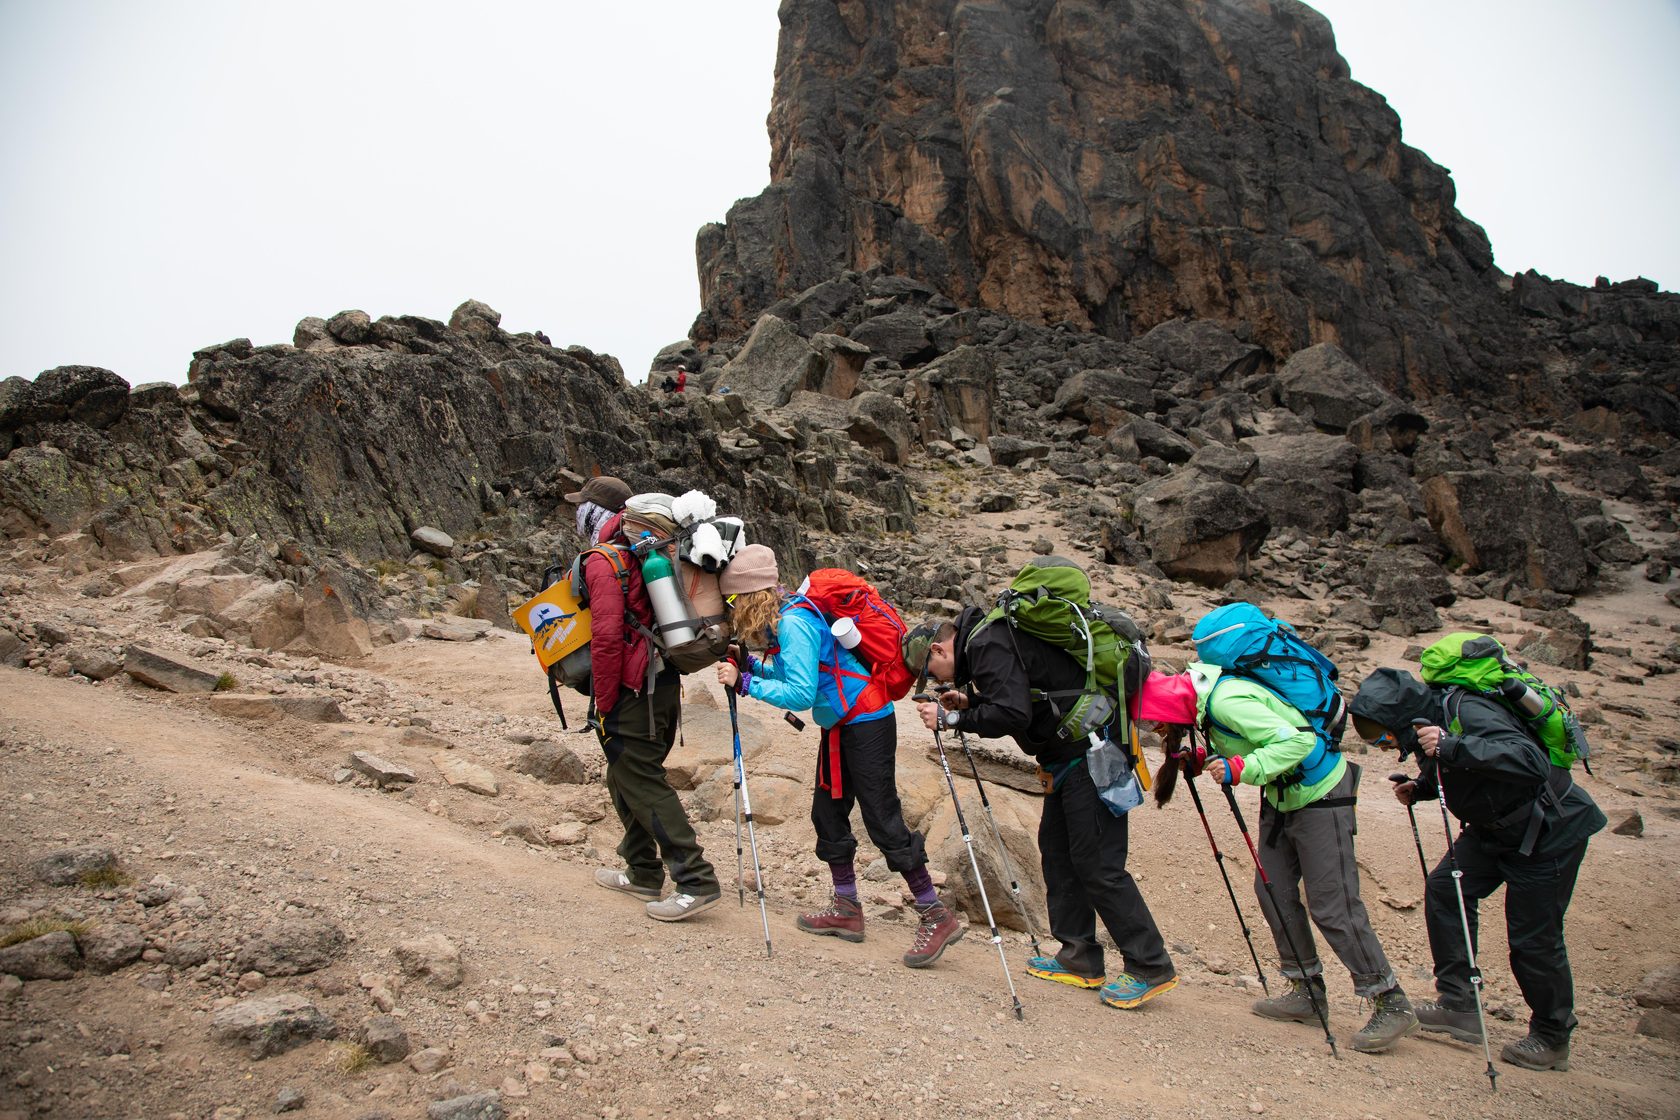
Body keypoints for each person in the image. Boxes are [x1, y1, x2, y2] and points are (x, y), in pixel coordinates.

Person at [1134, 664, 1417, 1051]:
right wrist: (1205, 757)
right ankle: (1306, 989)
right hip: (1283, 795)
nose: (1155, 730)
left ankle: (1391, 1000)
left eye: (1155, 722)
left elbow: (1296, 742)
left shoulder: (1226, 699)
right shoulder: (1203, 705)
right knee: (1273, 890)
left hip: (1321, 794)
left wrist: (1241, 768)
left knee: (1332, 904)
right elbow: (1251, 739)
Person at [909, 614, 1178, 1010]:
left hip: (1093, 754)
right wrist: (972, 702)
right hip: (1069, 758)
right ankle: (1079, 956)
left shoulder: (986, 645)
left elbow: (1013, 715)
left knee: (1099, 865)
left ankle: (1150, 965)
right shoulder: (991, 643)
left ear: (938, 649)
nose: (937, 682)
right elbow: (1028, 694)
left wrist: (954, 719)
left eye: (931, 673)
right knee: (1057, 853)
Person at [1349, 667, 1606, 1072]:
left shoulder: (1467, 711)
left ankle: (1552, 1036)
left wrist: (1451, 745)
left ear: (1399, 719)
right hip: (1493, 829)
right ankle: (1459, 1004)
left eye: (1382, 734)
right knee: (1444, 889)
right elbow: (1455, 768)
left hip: (1549, 830)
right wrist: (1423, 788)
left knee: (1533, 937)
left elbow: (1530, 762)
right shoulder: (1427, 724)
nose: (1381, 744)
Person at [715, 547, 962, 967]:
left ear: (750, 598)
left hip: (866, 722)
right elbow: (801, 671)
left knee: (882, 817)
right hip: (844, 723)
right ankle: (847, 910)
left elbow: (799, 693)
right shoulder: (791, 617)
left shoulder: (793, 622)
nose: (732, 612)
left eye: (733, 603)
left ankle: (934, 913)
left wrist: (745, 686)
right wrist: (753, 668)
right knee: (827, 812)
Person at [566, 475, 721, 922]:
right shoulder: (645, 554)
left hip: (634, 690)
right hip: (662, 684)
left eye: (582, 508)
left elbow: (608, 636)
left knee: (641, 780)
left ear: (597, 515)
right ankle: (642, 872)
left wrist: (605, 698)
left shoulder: (604, 559)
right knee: (625, 776)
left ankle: (696, 880)